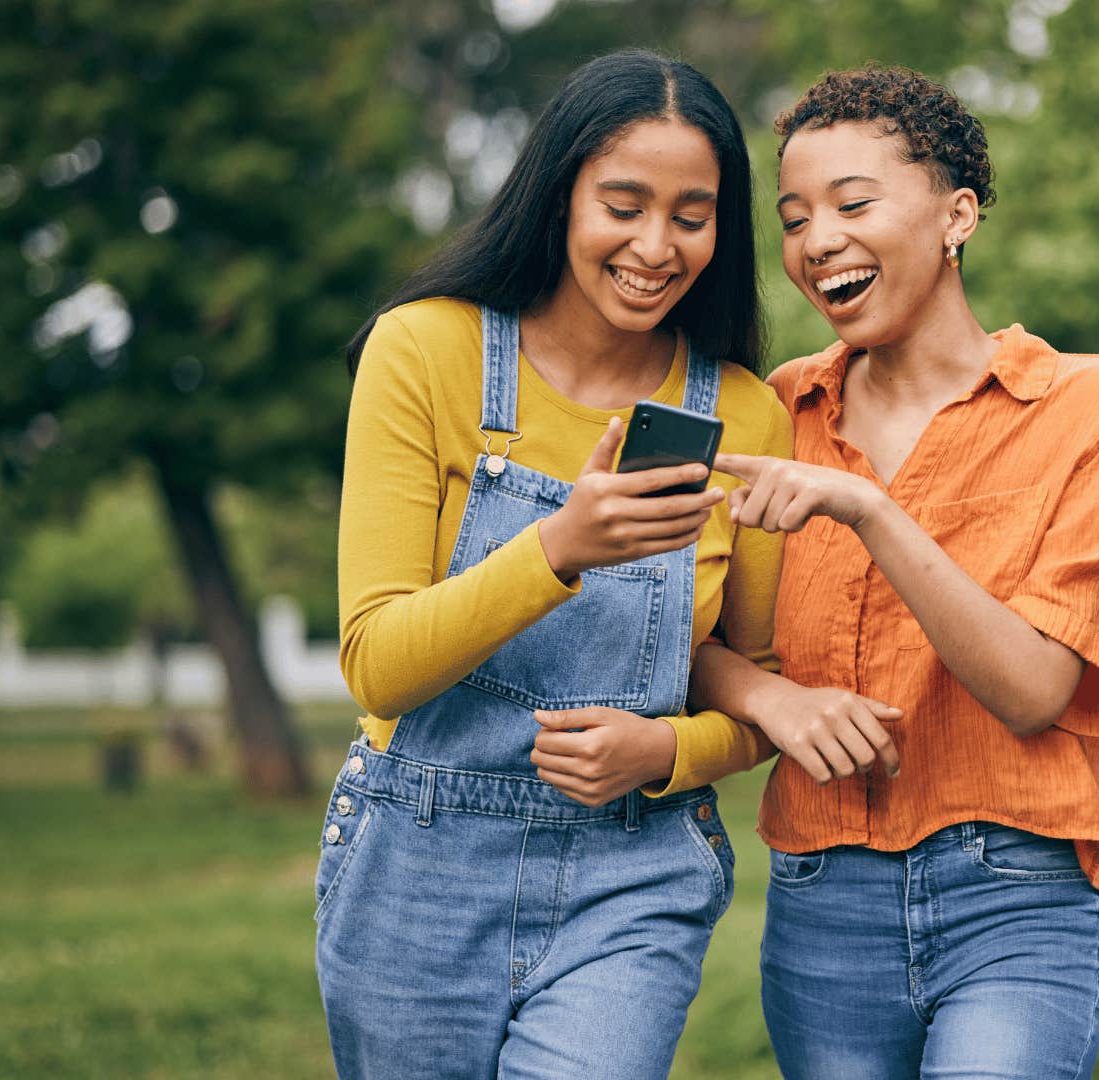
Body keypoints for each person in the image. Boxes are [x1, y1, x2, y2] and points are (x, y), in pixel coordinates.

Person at [314, 50, 789, 1079]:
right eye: (623, 204)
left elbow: (759, 694)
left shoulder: (747, 416)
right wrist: (561, 548)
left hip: (634, 870)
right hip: (416, 864)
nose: (656, 246)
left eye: (692, 215)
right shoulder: (424, 351)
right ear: (557, 193)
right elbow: (377, 664)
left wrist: (666, 754)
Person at [691, 64, 1099, 1079]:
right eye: (793, 217)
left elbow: (1037, 689)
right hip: (824, 899)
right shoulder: (777, 412)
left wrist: (868, 509)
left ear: (957, 216)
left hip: (1018, 892)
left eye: (853, 203)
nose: (817, 241)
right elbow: (689, 644)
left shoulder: (1089, 409)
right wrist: (772, 699)